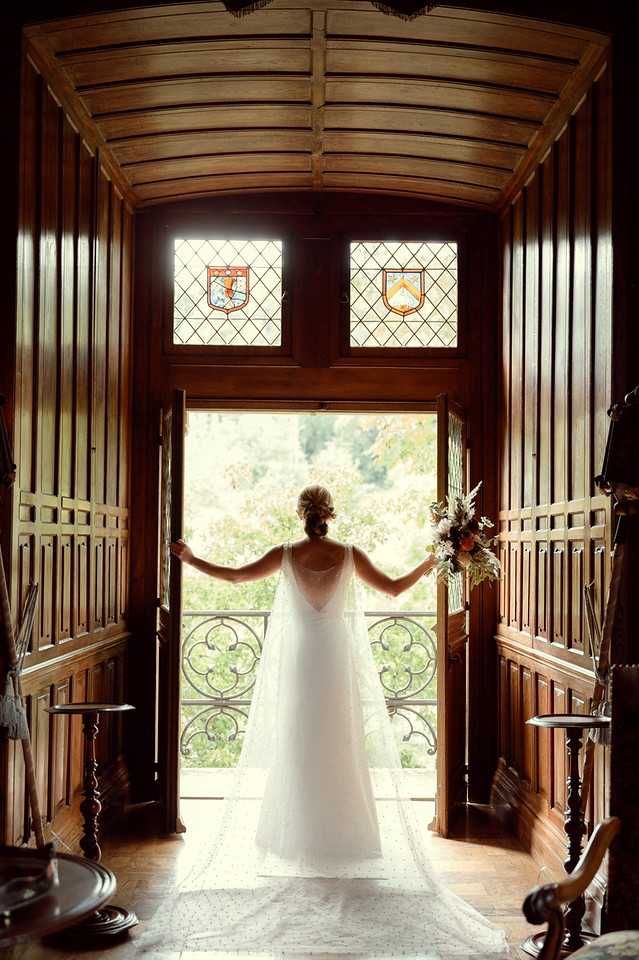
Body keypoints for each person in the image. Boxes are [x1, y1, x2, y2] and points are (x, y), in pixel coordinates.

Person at [140, 485, 508, 957]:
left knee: (299, 745)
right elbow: (395, 588)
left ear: (301, 514)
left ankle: (298, 837)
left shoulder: (287, 554)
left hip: (300, 662)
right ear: (331, 515)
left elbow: (232, 578)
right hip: (335, 661)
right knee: (341, 746)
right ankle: (344, 836)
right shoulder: (349, 554)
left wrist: (190, 558)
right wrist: (436, 559)